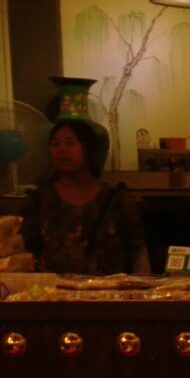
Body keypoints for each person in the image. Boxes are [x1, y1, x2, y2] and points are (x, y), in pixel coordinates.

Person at [27, 117, 149, 276]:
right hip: (52, 295)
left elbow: (139, 254)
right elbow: (26, 255)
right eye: (55, 144)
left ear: (89, 149)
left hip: (108, 295)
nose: (61, 149)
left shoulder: (117, 200)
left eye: (69, 143)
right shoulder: (38, 201)